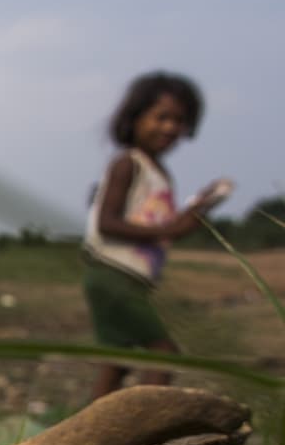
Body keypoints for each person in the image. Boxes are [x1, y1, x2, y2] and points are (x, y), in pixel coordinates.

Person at [82, 71, 230, 400]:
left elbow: (165, 231)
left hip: (131, 278)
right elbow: (107, 222)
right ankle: (141, 430)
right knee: (162, 351)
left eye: (179, 120)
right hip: (112, 273)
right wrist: (166, 229)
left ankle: (93, 438)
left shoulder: (159, 172)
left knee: (117, 361)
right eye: (161, 117)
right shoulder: (128, 164)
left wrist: (195, 212)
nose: (170, 128)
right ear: (135, 118)